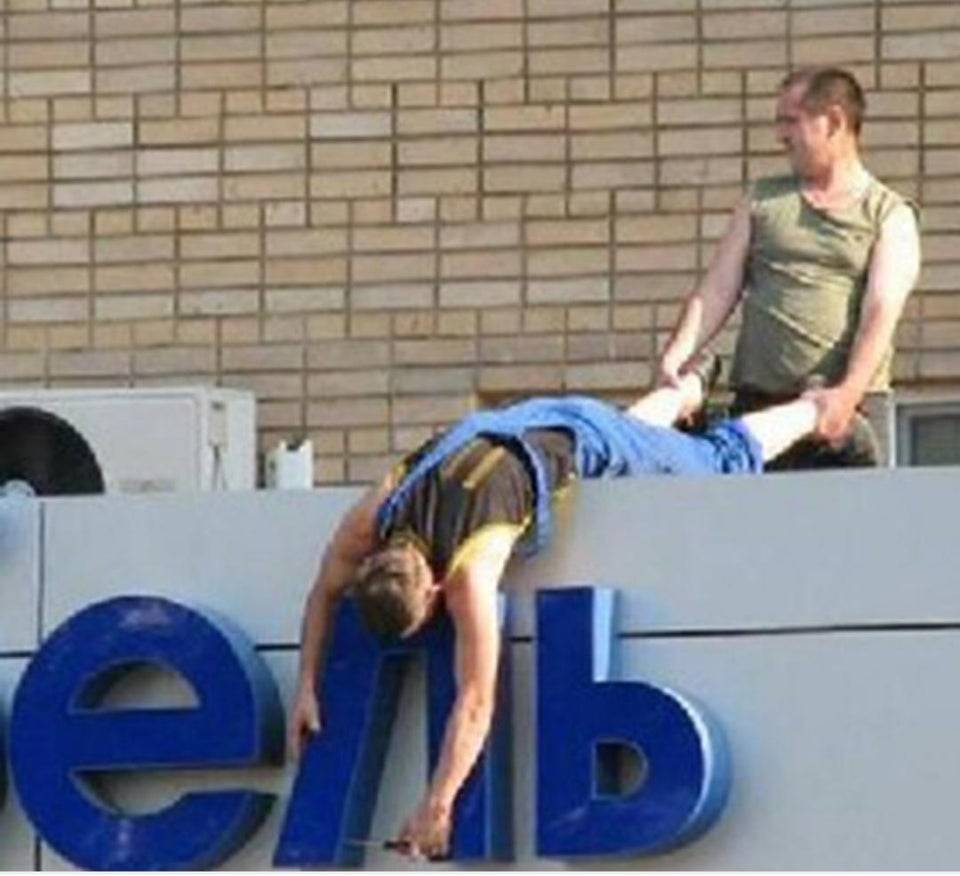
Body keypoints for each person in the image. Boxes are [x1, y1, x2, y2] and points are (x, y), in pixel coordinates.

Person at [287, 373, 825, 861]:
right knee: (638, 436)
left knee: (715, 459)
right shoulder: (370, 521)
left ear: (433, 589)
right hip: (520, 420)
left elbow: (475, 701)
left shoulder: (470, 571)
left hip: (578, 436)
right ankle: (686, 390)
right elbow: (322, 591)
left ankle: (817, 405)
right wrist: (306, 684)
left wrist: (439, 805)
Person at [657, 66, 921, 468]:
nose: (781, 135)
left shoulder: (889, 214)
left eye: (790, 122)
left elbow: (881, 311)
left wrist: (846, 397)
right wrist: (675, 359)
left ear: (833, 121)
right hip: (758, 408)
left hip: (845, 416)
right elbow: (717, 289)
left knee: (849, 529)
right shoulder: (762, 201)